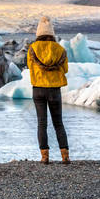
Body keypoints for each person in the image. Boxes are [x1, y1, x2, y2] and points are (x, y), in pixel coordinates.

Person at [27, 16, 70, 164]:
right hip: (54, 90)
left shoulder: (32, 49)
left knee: (42, 123)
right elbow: (65, 69)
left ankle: (44, 157)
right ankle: (65, 156)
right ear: (52, 33)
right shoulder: (60, 49)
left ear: (38, 33)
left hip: (38, 89)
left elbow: (30, 67)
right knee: (58, 123)